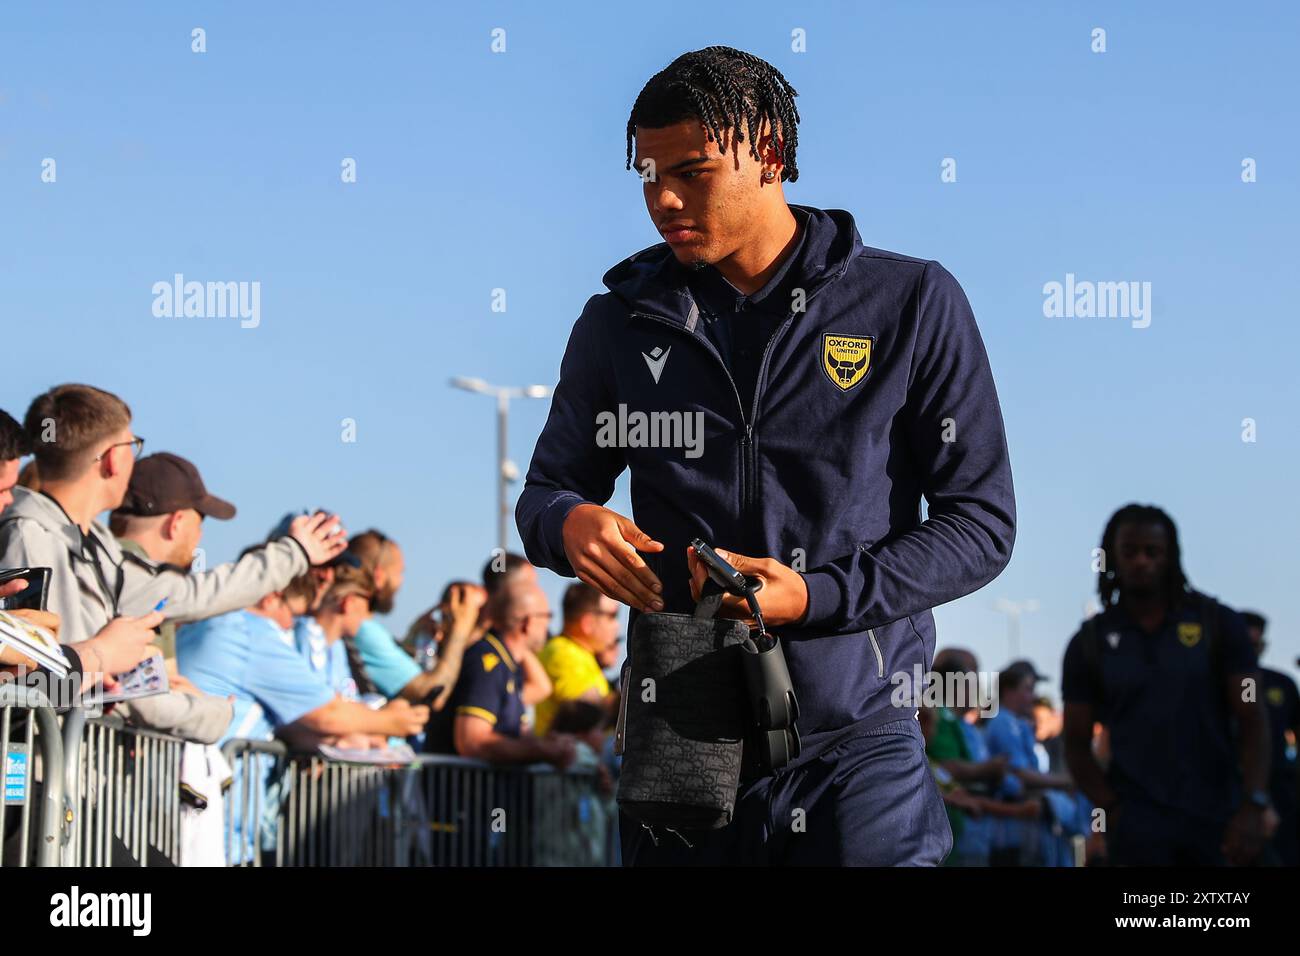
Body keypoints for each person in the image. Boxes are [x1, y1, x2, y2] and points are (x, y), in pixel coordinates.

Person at [516, 46, 1014, 865]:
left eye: (693, 171)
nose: (664, 199)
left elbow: (981, 524)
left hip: (857, 744)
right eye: (647, 174)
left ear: (770, 152)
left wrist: (815, 597)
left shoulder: (912, 302)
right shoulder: (616, 322)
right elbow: (547, 489)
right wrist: (565, 523)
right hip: (682, 740)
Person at [0, 385, 348, 646]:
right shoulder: (29, 534)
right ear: (112, 459)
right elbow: (35, 672)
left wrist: (295, 553)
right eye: (132, 445)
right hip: (41, 743)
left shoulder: (96, 543)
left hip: (70, 740)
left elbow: (188, 595)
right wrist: (101, 662)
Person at [1062, 504, 1276, 866]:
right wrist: (1111, 808)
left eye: (1152, 552)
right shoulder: (1090, 642)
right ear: (1113, 556)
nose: (1141, 561)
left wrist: (1253, 803)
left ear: (1170, 556)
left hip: (1217, 818)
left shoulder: (1218, 624)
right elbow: (1076, 742)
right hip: (1137, 826)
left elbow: (1254, 720)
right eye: (1129, 552)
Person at [425, 577, 573, 768]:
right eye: (547, 616)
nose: (549, 625)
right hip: (466, 795)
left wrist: (546, 745)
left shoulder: (507, 662)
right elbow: (473, 741)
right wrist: (542, 751)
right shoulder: (486, 661)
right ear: (528, 622)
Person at [346, 531, 480, 709]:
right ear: (379, 577)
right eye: (399, 573)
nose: (401, 581)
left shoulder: (364, 630)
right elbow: (433, 692)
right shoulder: (365, 632)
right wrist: (461, 629)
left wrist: (412, 639)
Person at [1242, 610, 1299, 866]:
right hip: (1233, 786)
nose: (1252, 651)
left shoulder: (1281, 684)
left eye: (1257, 644)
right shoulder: (1218, 684)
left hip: (1281, 787)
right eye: (1246, 645)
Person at [534, 582, 621, 736]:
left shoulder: (579, 654)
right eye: (612, 616)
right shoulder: (564, 653)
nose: (617, 625)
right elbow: (586, 710)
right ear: (587, 623)